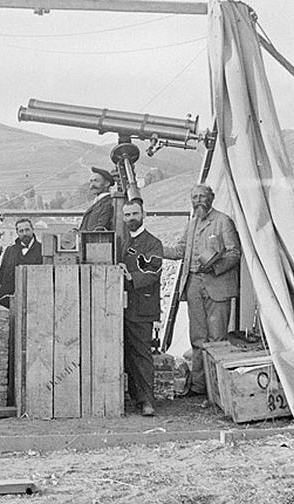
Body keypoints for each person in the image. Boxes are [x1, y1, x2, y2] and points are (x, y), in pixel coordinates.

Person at [164, 184, 241, 396]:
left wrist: (215, 267)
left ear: (211, 198)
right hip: (194, 287)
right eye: (195, 197)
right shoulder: (191, 225)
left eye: (202, 196)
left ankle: (217, 390)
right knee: (197, 338)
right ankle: (199, 387)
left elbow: (234, 253)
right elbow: (180, 250)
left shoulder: (223, 221)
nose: (198, 200)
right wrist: (156, 249)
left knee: (217, 339)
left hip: (217, 285)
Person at [120, 199, 163, 417]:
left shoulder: (153, 243)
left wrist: (130, 276)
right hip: (122, 307)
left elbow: (153, 271)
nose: (131, 219)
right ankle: (133, 397)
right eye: (127, 215)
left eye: (134, 214)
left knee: (142, 354)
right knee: (125, 352)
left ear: (143, 214)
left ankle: (147, 400)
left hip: (142, 305)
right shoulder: (122, 242)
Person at [0, 218, 42, 306]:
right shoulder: (10, 250)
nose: (25, 233)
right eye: (21, 231)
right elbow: (1, 273)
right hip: (9, 301)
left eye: (27, 230)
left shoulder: (42, 250)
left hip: (34, 301)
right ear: (17, 233)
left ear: (32, 230)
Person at [79, 167, 114, 231]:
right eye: (91, 181)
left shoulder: (108, 203)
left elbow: (100, 227)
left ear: (107, 183)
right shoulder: (98, 202)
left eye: (96, 181)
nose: (92, 185)